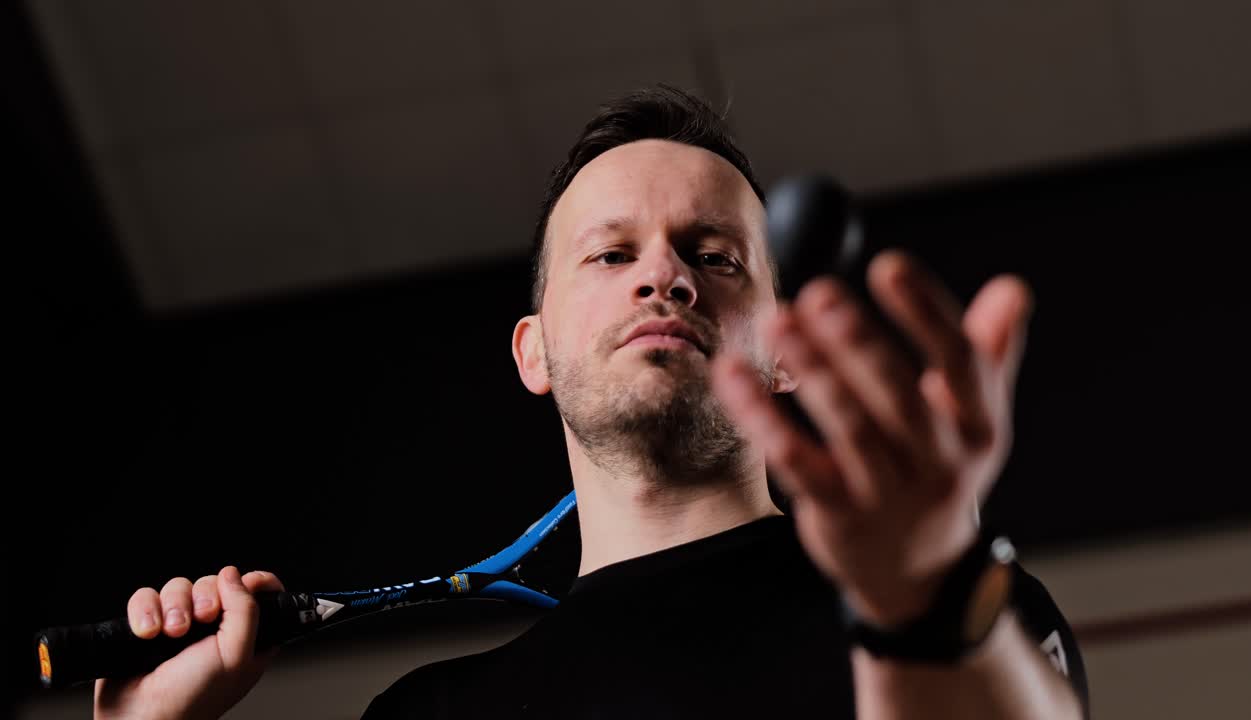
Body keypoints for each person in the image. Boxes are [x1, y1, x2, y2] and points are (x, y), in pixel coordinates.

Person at [95, 85, 1090, 719]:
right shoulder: (429, 715)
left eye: (714, 257)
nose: (665, 276)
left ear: (783, 351)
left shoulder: (941, 606)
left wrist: (926, 612)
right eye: (612, 255)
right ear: (533, 351)